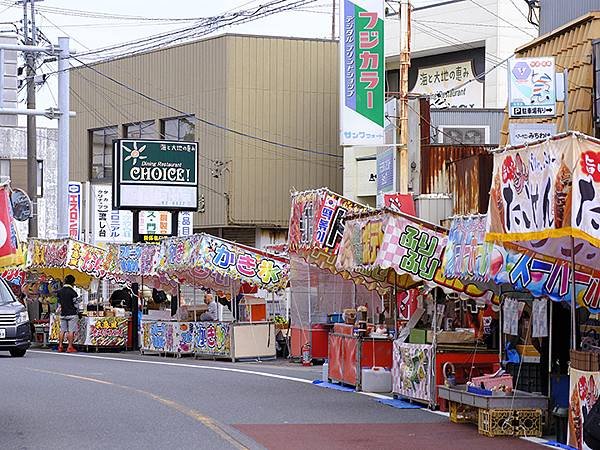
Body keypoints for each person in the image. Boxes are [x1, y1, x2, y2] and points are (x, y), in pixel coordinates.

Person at [56, 275, 80, 353]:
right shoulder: (73, 292)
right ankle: (69, 347)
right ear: (73, 282)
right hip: (72, 314)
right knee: (71, 331)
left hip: (63, 314)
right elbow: (76, 304)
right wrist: (78, 311)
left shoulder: (60, 292)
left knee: (62, 330)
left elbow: (59, 304)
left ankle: (60, 346)